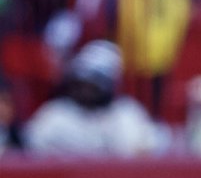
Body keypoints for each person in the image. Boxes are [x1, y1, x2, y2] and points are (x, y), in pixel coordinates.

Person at [23, 40, 162, 157]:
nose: (86, 89)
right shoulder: (56, 114)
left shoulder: (127, 114)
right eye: (83, 82)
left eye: (94, 84)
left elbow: (149, 150)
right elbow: (30, 150)